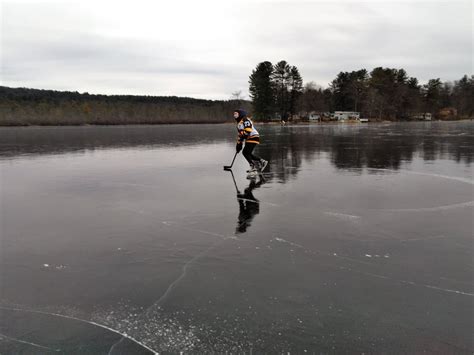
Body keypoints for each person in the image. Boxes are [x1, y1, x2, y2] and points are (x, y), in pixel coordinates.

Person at [233, 109, 268, 178]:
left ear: (240, 114)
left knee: (245, 152)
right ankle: (262, 161)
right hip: (249, 138)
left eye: (236, 113)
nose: (234, 115)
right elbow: (240, 135)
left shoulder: (245, 119)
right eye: (234, 114)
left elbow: (248, 130)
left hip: (253, 136)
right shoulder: (239, 124)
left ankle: (253, 166)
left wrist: (242, 137)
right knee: (247, 153)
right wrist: (238, 144)